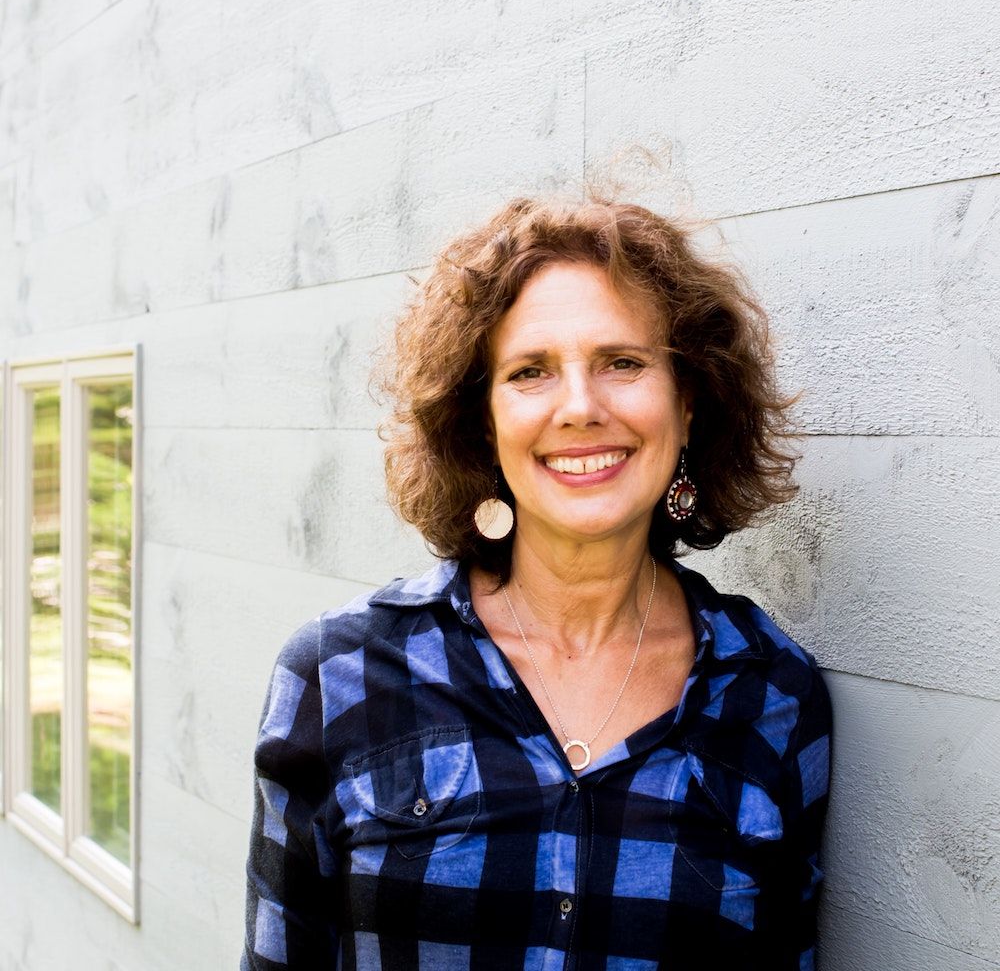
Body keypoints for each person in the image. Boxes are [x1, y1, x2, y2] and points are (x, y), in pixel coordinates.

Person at [241, 197, 833, 970]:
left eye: (622, 362)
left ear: (686, 404)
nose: (581, 407)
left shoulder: (774, 696)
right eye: (531, 372)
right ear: (482, 421)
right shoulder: (339, 676)